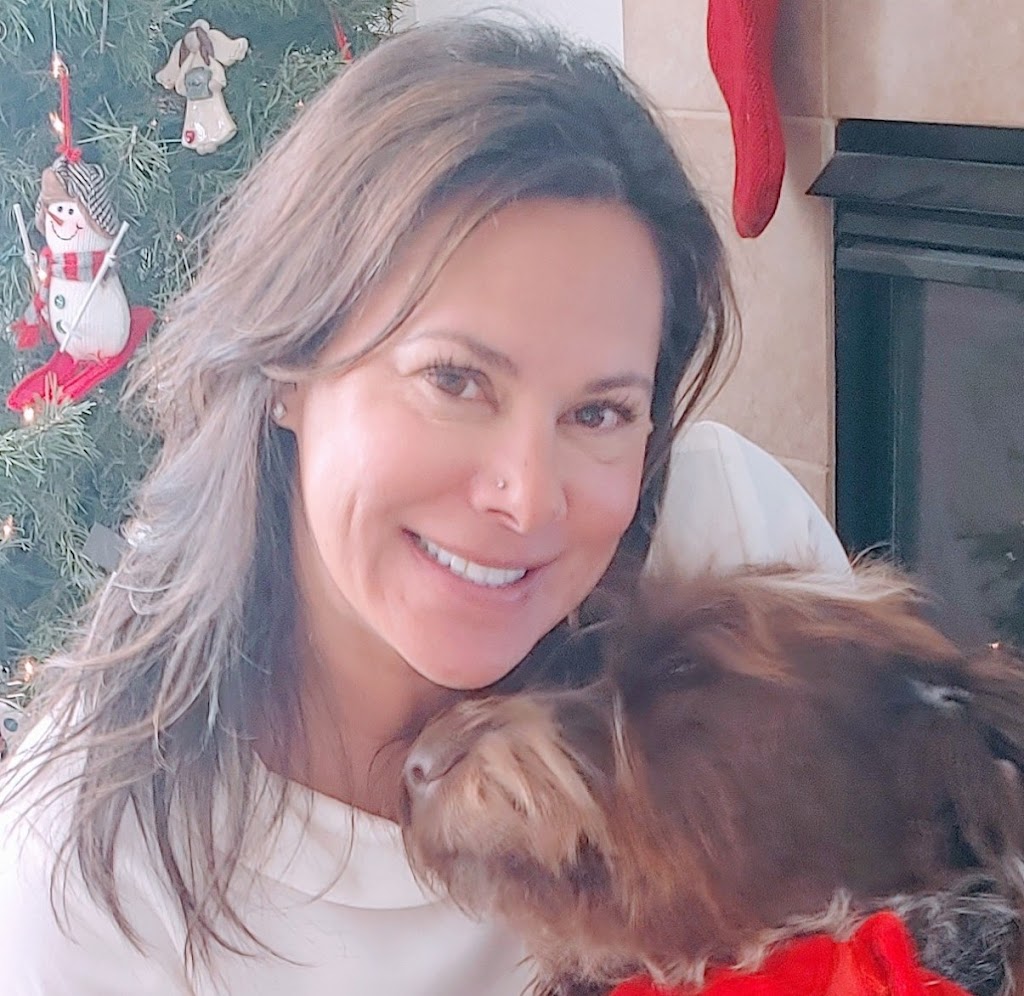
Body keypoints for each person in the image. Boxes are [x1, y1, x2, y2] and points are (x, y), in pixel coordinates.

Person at [0, 17, 848, 995]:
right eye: (453, 380)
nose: (528, 496)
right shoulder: (89, 881)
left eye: (599, 412)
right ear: (287, 367)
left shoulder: (730, 543)